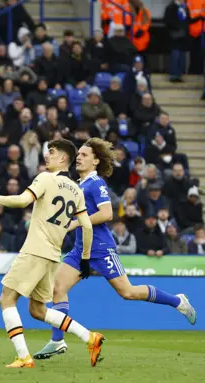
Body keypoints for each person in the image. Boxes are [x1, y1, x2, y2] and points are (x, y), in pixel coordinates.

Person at [33, 138, 197, 360]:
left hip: (101, 249)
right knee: (57, 289)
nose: (78, 157)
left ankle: (178, 301)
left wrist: (75, 222)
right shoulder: (78, 185)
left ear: (95, 161)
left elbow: (107, 214)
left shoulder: (96, 183)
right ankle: (57, 341)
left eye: (84, 154)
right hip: (81, 249)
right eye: (78, 154)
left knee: (127, 292)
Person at [0, 138, 101, 368]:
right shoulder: (77, 190)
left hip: (35, 250)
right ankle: (90, 337)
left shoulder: (46, 178)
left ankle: (23, 357)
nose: (47, 155)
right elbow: (88, 226)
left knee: (7, 299)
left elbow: (23, 201)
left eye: (51, 152)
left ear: (63, 158)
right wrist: (85, 259)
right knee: (37, 309)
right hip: (53, 255)